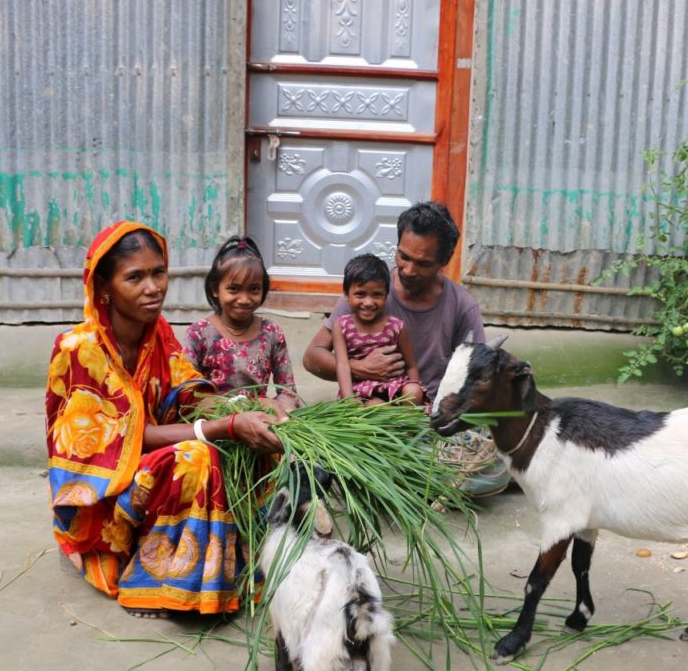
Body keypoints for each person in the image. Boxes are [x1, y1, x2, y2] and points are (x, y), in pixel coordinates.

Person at [45, 221, 283, 619]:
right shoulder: (79, 350)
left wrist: (245, 408)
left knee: (247, 445)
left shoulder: (160, 337)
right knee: (196, 457)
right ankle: (152, 574)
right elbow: (122, 442)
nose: (153, 287)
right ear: (103, 286)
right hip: (103, 489)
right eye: (134, 277)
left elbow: (190, 397)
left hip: (151, 460)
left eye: (158, 272)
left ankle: (219, 565)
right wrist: (221, 427)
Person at [303, 201, 510, 496]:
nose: (408, 270)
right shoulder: (371, 290)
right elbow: (312, 357)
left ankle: (403, 474)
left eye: (423, 263)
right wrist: (361, 368)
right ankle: (410, 476)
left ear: (444, 261)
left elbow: (473, 377)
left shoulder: (461, 305)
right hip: (371, 418)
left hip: (429, 421)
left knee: (492, 471)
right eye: (403, 256)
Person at [183, 236, 299, 413]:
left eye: (254, 289)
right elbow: (187, 394)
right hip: (213, 423)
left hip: (259, 421)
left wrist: (277, 409)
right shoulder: (199, 333)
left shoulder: (271, 332)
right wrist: (225, 414)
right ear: (215, 289)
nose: (244, 299)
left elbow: (288, 392)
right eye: (234, 289)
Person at [333, 253, 424, 406]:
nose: (368, 302)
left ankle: (406, 427)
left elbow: (411, 365)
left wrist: (416, 390)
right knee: (376, 406)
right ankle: (392, 423)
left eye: (376, 295)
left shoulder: (396, 326)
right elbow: (342, 364)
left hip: (394, 389)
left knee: (413, 391)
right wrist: (348, 398)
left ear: (386, 295)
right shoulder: (342, 325)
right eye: (360, 294)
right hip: (362, 393)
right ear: (346, 295)